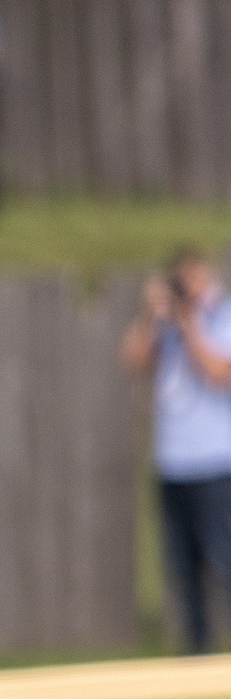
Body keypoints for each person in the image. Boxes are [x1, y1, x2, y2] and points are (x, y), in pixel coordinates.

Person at [121, 246, 231, 653]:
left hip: (216, 462)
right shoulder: (163, 325)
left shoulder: (222, 318)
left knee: (225, 557)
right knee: (183, 564)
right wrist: (153, 314)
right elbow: (132, 360)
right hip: (173, 463)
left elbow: (219, 372)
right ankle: (197, 649)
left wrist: (189, 323)